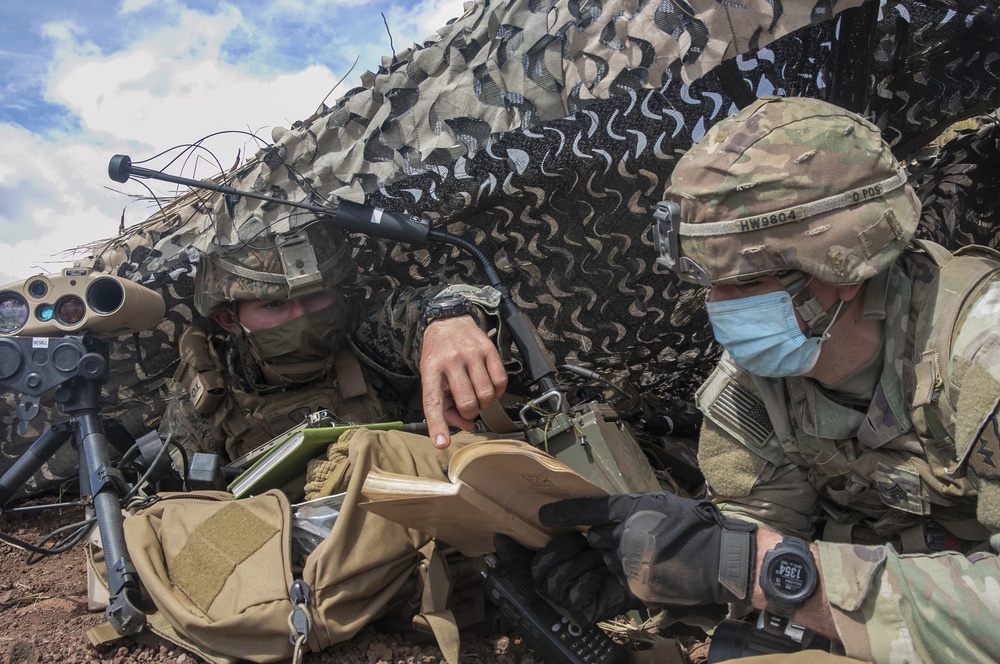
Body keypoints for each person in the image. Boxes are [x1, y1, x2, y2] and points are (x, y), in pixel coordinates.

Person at [527, 96, 1000, 662]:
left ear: (841, 263)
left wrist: (769, 573)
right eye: (707, 281)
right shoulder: (765, 374)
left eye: (741, 279)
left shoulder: (980, 357)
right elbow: (755, 528)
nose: (716, 305)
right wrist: (658, 573)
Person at [159, 221, 507, 463]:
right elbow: (181, 503)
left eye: (315, 296)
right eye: (275, 304)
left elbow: (431, 307)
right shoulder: (210, 388)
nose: (301, 316)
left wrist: (448, 322)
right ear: (228, 319)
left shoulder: (364, 328)